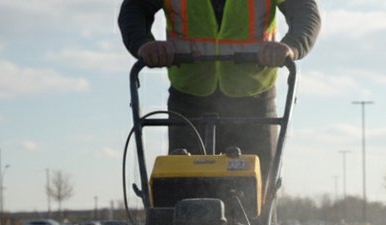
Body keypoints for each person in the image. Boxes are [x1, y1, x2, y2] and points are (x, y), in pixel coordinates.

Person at [118, 0, 321, 184]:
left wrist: (292, 46)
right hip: (189, 98)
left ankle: (257, 223)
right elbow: (134, 9)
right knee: (183, 191)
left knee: (259, 194)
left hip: (254, 99)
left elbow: (304, 11)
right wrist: (144, 44)